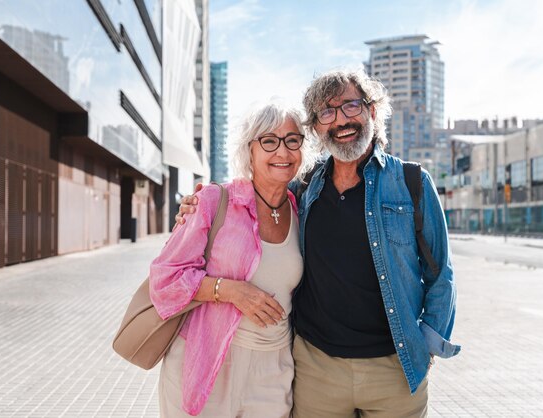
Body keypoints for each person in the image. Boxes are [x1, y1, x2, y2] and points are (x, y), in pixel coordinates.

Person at [177, 69, 460, 418]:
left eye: (350, 106)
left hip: (395, 370)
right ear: (316, 128)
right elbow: (257, 190)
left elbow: (440, 275)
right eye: (327, 112)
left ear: (372, 111)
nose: (340, 120)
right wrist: (201, 202)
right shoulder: (303, 190)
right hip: (316, 369)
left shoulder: (412, 182)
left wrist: (427, 347)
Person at [149, 101, 316, 417]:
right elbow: (164, 280)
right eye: (269, 141)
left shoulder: (301, 209)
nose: (283, 151)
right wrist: (231, 291)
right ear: (249, 150)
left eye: (292, 140)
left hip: (274, 367)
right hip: (207, 361)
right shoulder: (213, 200)